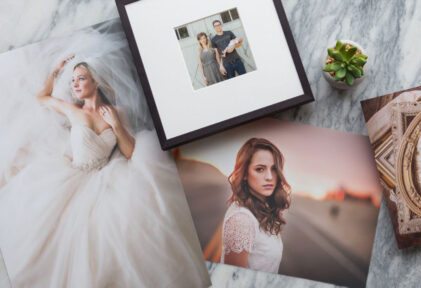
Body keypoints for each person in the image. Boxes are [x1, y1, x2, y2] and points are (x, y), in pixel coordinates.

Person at [0, 25, 209, 287]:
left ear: (96, 83)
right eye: (73, 80)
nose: (75, 84)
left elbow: (131, 151)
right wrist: (56, 72)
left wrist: (118, 126)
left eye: (81, 78)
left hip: (110, 173)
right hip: (74, 175)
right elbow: (41, 97)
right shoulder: (71, 110)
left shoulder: (116, 111)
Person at [221, 138, 291, 274]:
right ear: (245, 173)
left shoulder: (261, 208)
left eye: (274, 169)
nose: (270, 177)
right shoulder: (241, 220)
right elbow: (233, 280)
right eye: (260, 169)